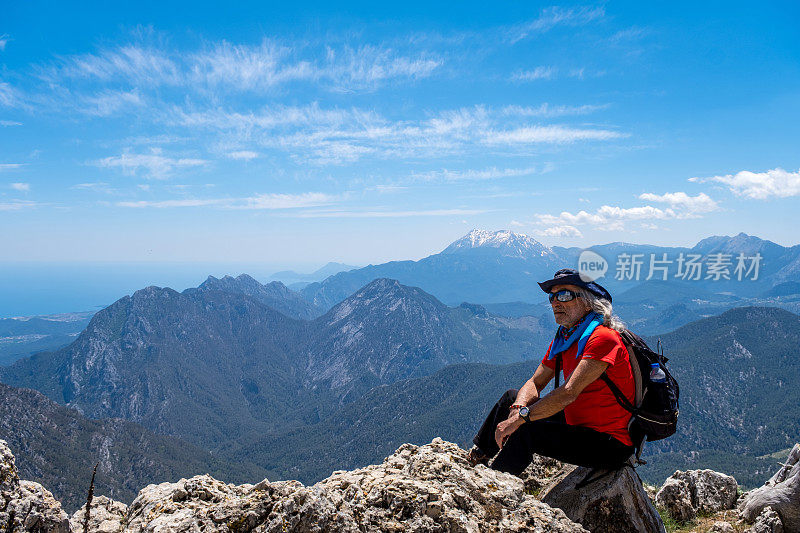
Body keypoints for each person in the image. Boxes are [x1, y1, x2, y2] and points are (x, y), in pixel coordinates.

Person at [468, 268, 636, 475]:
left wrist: (520, 418)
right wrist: (518, 407)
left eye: (564, 295)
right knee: (511, 397)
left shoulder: (603, 338)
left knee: (528, 430)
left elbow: (569, 392)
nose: (555, 302)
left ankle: (494, 488)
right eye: (552, 296)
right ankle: (478, 456)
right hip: (577, 421)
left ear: (587, 301)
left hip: (608, 442)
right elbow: (535, 383)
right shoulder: (567, 337)